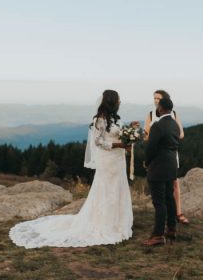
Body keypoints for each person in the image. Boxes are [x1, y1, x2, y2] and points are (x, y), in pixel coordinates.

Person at [9, 90, 135, 248]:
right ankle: (104, 222)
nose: (120, 102)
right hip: (108, 161)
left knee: (118, 188)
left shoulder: (115, 119)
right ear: (111, 102)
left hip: (118, 160)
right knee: (106, 189)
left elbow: (117, 135)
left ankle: (118, 221)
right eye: (118, 100)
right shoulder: (100, 119)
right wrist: (119, 144)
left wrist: (129, 135)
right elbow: (98, 142)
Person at [144, 90, 189, 225]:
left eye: (158, 98)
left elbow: (181, 134)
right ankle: (165, 215)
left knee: (174, 184)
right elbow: (146, 135)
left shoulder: (173, 114)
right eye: (154, 98)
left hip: (170, 152)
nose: (156, 100)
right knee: (161, 186)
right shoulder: (151, 115)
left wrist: (167, 136)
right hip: (157, 154)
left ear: (164, 101)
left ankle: (178, 213)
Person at [143, 97, 180, 246]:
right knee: (169, 198)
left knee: (159, 202)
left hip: (158, 167)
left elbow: (150, 148)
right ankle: (171, 229)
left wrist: (147, 162)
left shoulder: (158, 126)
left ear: (161, 108)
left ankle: (158, 235)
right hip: (171, 165)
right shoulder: (175, 125)